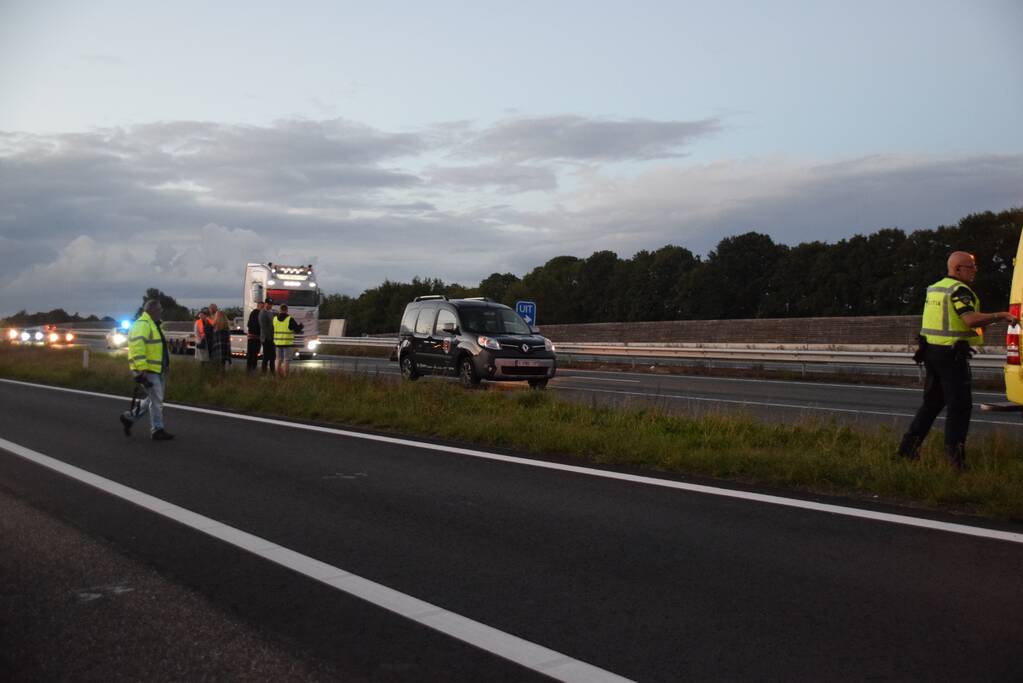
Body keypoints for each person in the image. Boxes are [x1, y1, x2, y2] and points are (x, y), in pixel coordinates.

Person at [897, 251, 1019, 470]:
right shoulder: (959, 290)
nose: (975, 271)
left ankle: (907, 450)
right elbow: (970, 319)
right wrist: (1001, 315)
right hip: (951, 356)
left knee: (932, 404)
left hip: (931, 352)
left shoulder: (935, 288)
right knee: (960, 408)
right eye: (970, 267)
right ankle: (956, 461)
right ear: (957, 269)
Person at [119, 299, 173, 440]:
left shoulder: (153, 324)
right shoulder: (143, 324)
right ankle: (157, 430)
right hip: (148, 370)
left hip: (156, 369)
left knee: (153, 399)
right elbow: (137, 348)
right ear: (153, 310)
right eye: (160, 309)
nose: (161, 312)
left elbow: (158, 348)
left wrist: (165, 366)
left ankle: (129, 417)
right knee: (157, 401)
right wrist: (142, 368)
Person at [272, 303, 304, 377]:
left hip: (277, 343)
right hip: (287, 343)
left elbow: (272, 329)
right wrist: (301, 326)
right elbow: (297, 330)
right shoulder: (289, 319)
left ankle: (278, 376)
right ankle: (286, 376)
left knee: (278, 359)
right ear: (287, 310)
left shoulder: (275, 319)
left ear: (280, 310)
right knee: (286, 360)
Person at [208, 303, 230, 371]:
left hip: (217, 349)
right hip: (225, 348)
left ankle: (218, 376)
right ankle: (222, 376)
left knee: (216, 366)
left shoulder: (215, 328)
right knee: (222, 366)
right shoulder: (226, 328)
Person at [259, 298, 276, 374]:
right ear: (265, 304)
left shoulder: (271, 312)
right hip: (266, 338)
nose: (270, 305)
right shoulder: (263, 313)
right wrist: (269, 338)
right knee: (266, 356)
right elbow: (263, 327)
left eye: (271, 304)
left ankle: (272, 372)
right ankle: (264, 372)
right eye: (269, 304)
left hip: (271, 337)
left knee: (272, 357)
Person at [245, 303, 262, 372]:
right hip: (257, 337)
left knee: (250, 353)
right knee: (255, 354)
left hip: (250, 337)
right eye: (262, 306)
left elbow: (248, 324)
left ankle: (248, 368)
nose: (262, 308)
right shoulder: (260, 314)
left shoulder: (252, 313)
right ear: (258, 306)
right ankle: (253, 368)